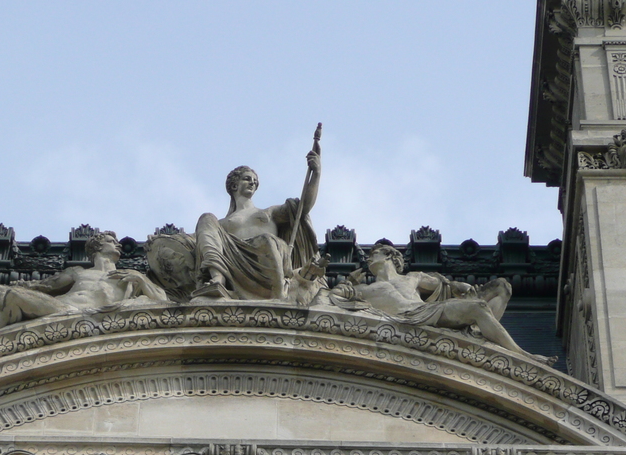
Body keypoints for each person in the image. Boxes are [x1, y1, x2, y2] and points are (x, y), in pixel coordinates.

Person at [148, 137, 322, 302]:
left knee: (267, 240)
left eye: (255, 181)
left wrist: (316, 173)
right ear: (234, 185)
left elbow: (303, 207)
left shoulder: (270, 213)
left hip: (266, 263)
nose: (252, 183)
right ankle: (218, 279)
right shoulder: (221, 226)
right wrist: (160, 242)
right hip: (233, 264)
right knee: (206, 218)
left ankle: (278, 295)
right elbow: (190, 242)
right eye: (247, 179)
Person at [333, 243, 549, 361]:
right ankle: (522, 355)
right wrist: (347, 282)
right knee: (478, 307)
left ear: (389, 256)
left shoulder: (413, 277)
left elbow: (446, 284)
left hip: (428, 312)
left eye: (374, 253)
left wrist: (463, 287)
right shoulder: (363, 289)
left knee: (502, 286)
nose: (369, 258)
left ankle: (484, 335)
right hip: (403, 319)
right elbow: (331, 297)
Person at [0, 230, 167, 344]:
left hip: (94, 317)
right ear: (97, 247)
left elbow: (163, 303)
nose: (117, 244)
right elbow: (44, 286)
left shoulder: (132, 276)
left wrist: (141, 280)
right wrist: (23, 284)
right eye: (111, 241)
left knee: (13, 298)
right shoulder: (78, 272)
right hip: (61, 310)